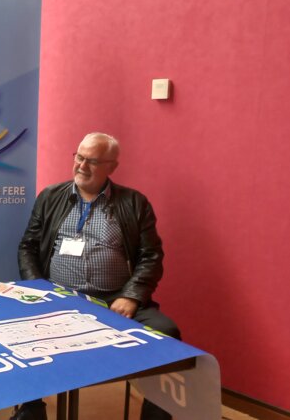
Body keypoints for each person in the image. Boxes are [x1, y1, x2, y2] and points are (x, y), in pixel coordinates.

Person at [14, 132, 179, 420]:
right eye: (79, 157)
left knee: (167, 332)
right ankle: (31, 410)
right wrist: (39, 290)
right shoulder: (51, 197)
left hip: (114, 299)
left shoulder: (134, 203)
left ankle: (155, 415)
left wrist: (132, 295)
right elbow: (28, 246)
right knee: (19, 333)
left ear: (111, 167)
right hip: (57, 297)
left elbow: (151, 256)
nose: (81, 166)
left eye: (92, 161)